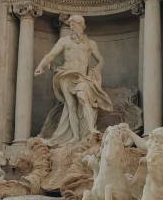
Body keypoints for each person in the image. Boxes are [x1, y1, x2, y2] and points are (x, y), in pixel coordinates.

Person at [35, 15, 112, 144]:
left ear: (81, 25)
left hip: (82, 76)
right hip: (66, 74)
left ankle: (91, 128)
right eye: (70, 25)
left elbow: (100, 59)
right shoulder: (64, 41)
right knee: (70, 105)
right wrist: (41, 66)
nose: (72, 27)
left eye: (74, 24)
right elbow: (51, 55)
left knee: (83, 97)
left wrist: (97, 68)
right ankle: (76, 136)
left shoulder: (90, 43)